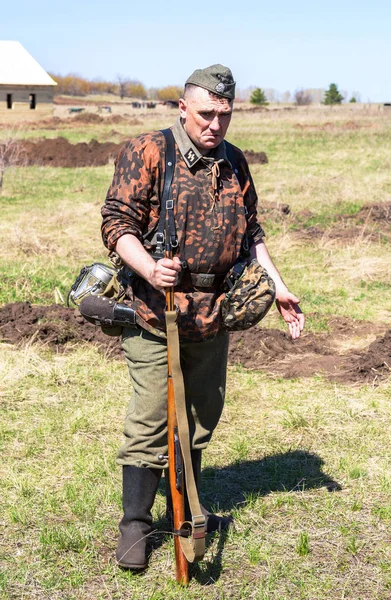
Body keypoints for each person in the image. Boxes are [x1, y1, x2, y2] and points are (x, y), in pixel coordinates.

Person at [101, 64, 305, 570]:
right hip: (156, 312)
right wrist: (150, 267)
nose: (215, 125)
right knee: (151, 418)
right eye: (207, 114)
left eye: (225, 115)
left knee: (200, 419)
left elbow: (252, 233)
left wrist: (277, 287)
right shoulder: (149, 151)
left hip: (214, 315)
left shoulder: (234, 162)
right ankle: (135, 524)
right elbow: (116, 224)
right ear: (183, 108)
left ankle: (186, 503)